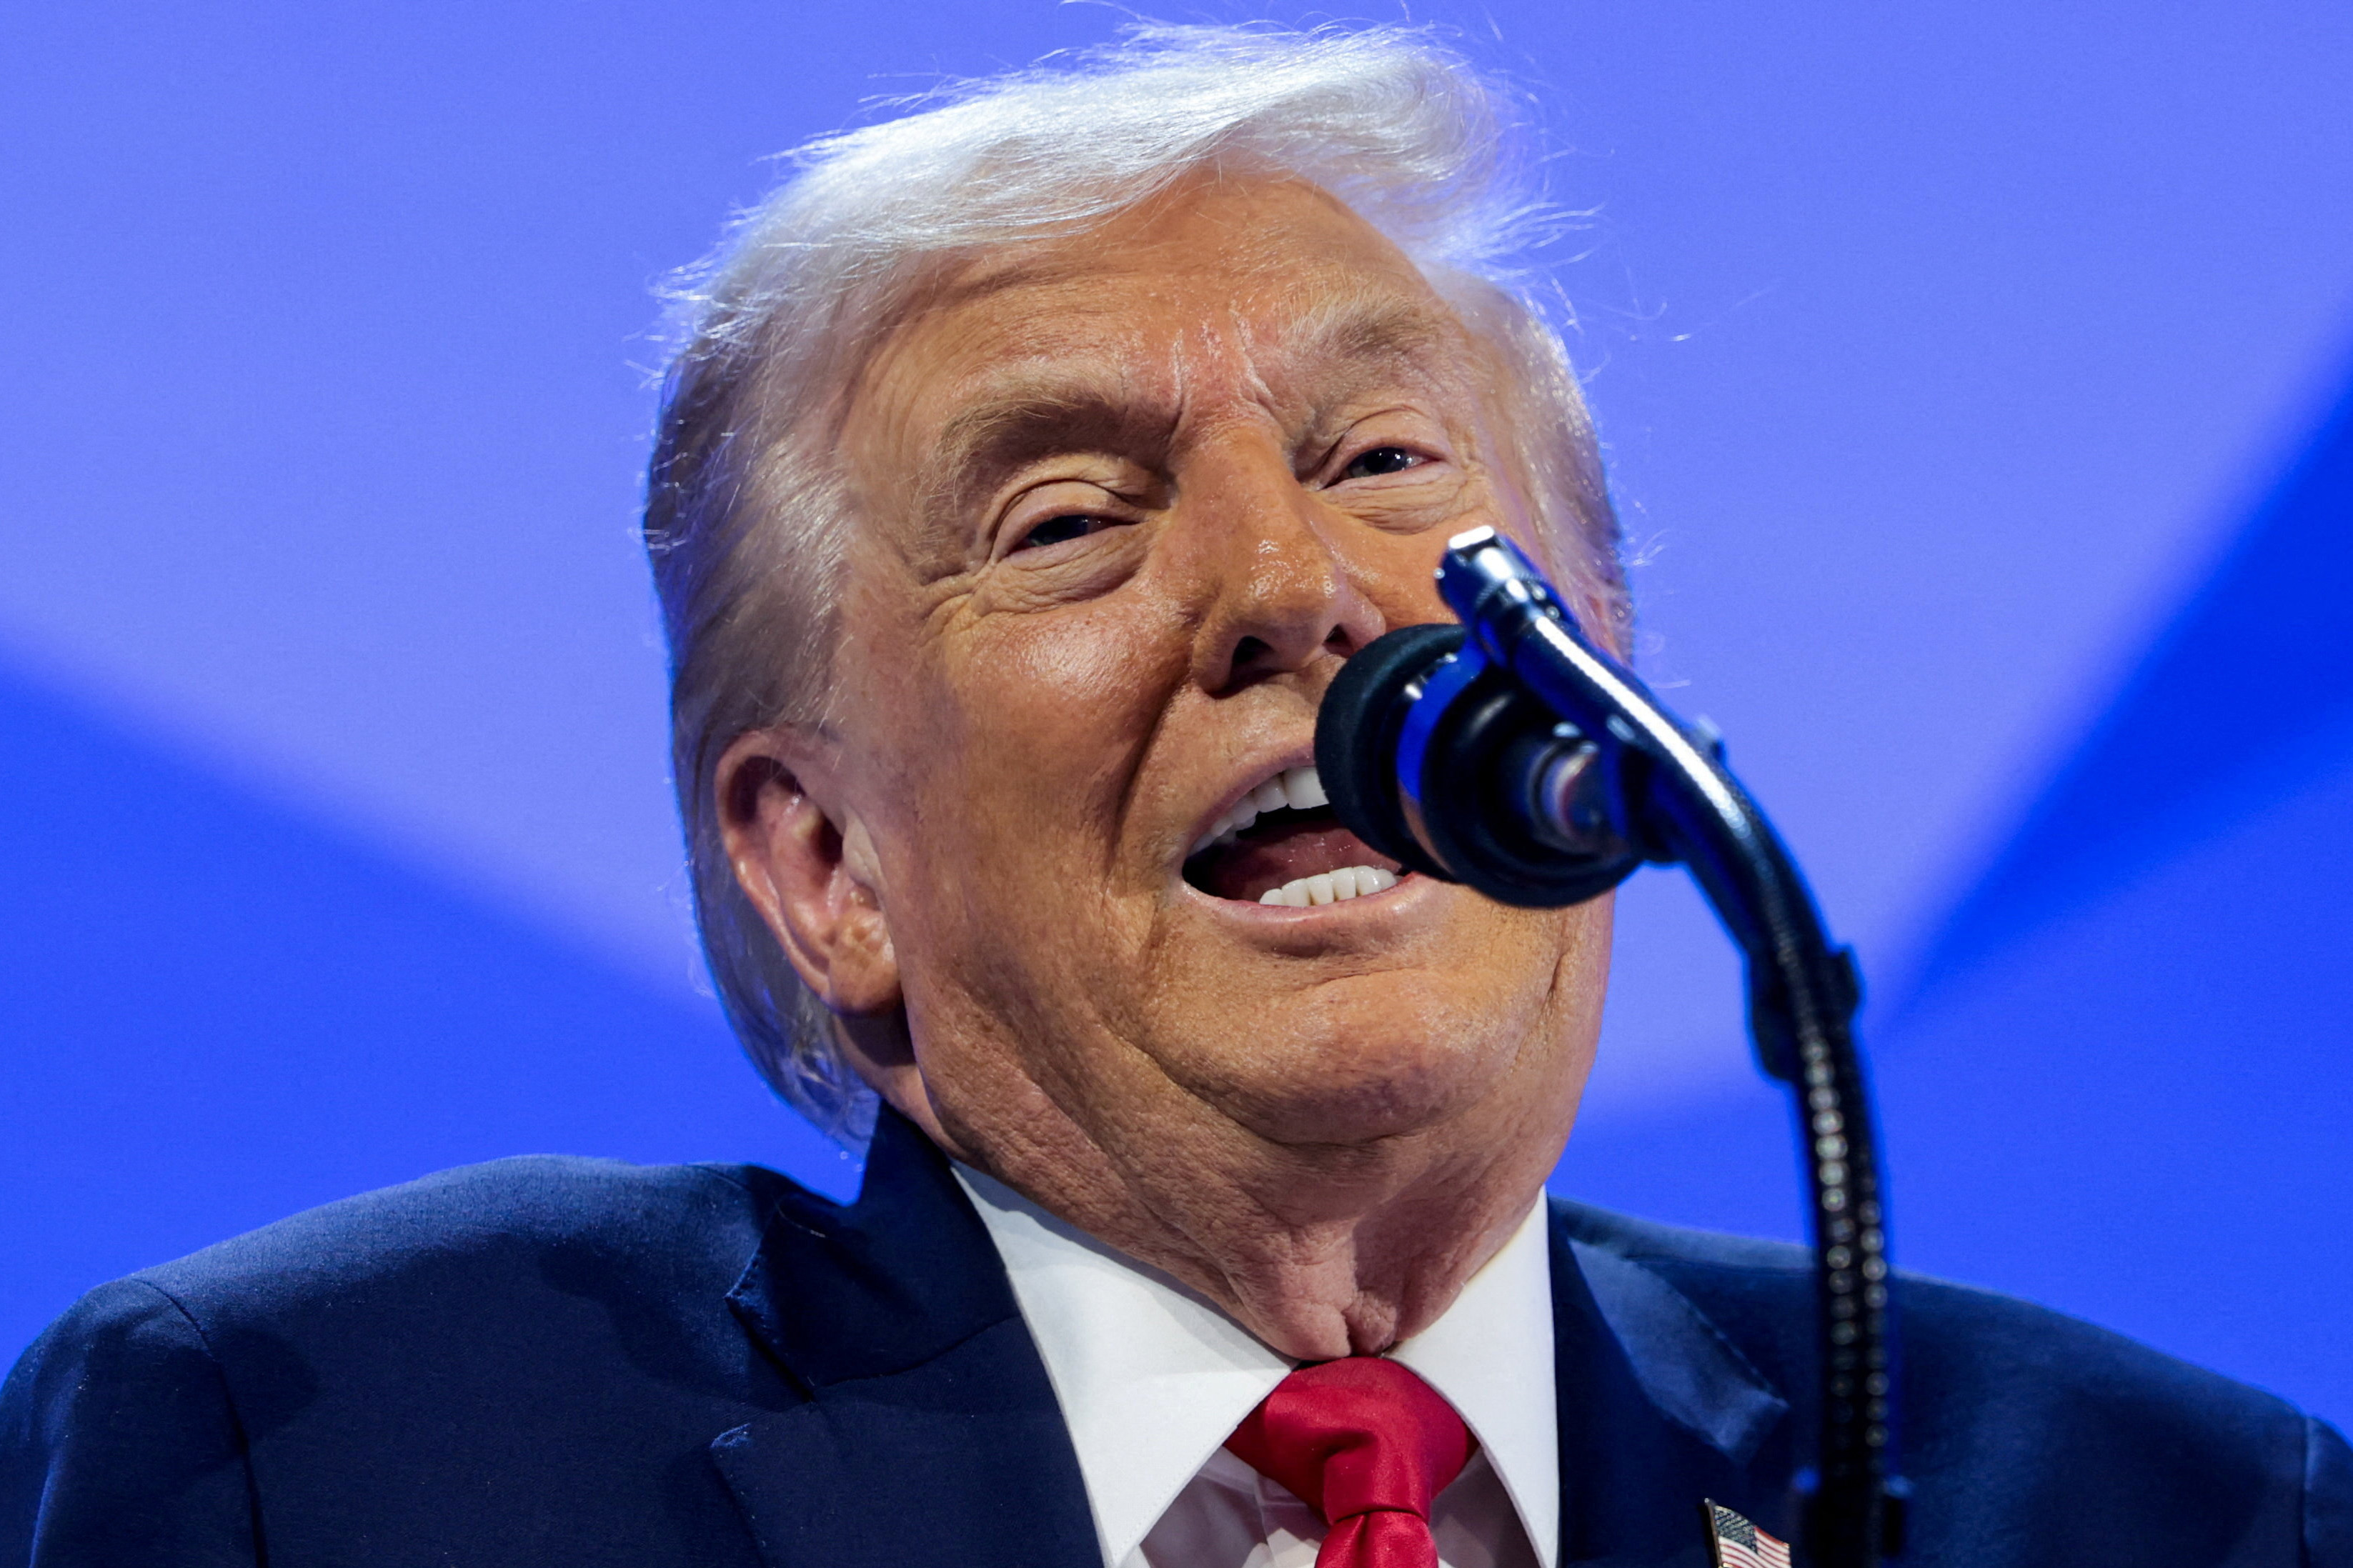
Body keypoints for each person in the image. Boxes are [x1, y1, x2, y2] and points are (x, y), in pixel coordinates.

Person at [3, 24, 2345, 1568]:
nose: (1290, 586)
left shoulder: (2167, 1514)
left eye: (1386, 461)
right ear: (825, 867)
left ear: (1603, 689)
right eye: (1064, 520)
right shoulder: (334, 1459)